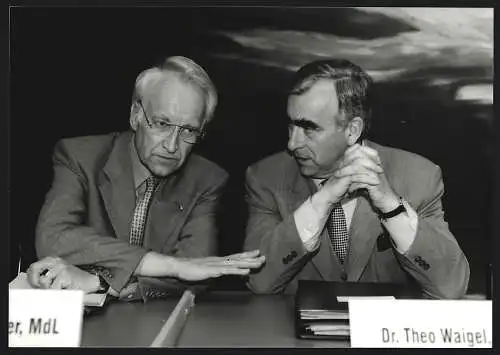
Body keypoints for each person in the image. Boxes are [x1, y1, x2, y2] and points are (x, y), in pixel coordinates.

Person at [29, 56, 265, 301]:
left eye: (189, 130)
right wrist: (170, 266)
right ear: (136, 115)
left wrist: (100, 283)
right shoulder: (80, 157)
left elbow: (197, 277)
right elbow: (53, 237)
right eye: (162, 123)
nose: (172, 146)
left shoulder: (206, 180)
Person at [243, 59, 469, 298]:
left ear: (352, 130)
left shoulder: (418, 176)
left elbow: (450, 287)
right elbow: (259, 281)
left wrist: (391, 207)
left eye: (308, 128)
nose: (292, 143)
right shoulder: (265, 178)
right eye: (291, 126)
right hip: (293, 333)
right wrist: (323, 200)